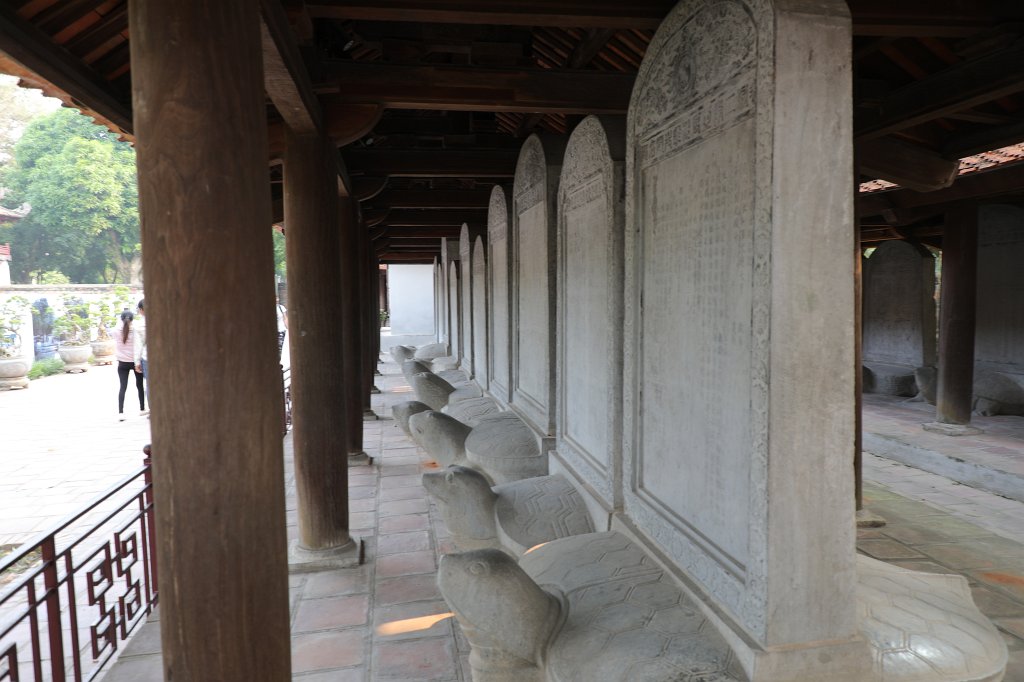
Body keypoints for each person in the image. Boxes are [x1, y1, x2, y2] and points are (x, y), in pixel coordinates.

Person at [115, 311, 145, 421]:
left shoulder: (116, 331)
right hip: (135, 362)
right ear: (132, 320)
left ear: (121, 319)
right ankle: (142, 409)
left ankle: (121, 413)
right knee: (140, 385)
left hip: (122, 363)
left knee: (123, 387)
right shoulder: (136, 331)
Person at [133, 299, 148, 412]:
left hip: (147, 357)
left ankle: (153, 409)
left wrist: (137, 362)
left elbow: (138, 346)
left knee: (150, 384)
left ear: (141, 310)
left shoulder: (138, 325)